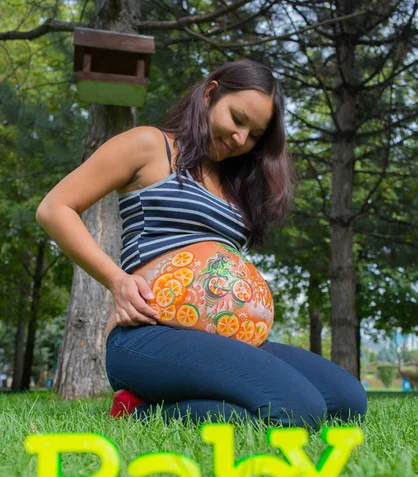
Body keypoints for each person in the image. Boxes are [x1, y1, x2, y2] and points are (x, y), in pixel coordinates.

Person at [36, 59, 367, 429]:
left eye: (255, 134)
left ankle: (176, 398)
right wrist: (117, 280)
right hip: (150, 335)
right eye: (237, 119)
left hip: (228, 341)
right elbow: (54, 208)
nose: (241, 139)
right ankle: (138, 413)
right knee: (300, 410)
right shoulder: (150, 146)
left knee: (347, 400)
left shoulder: (235, 186)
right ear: (211, 94)